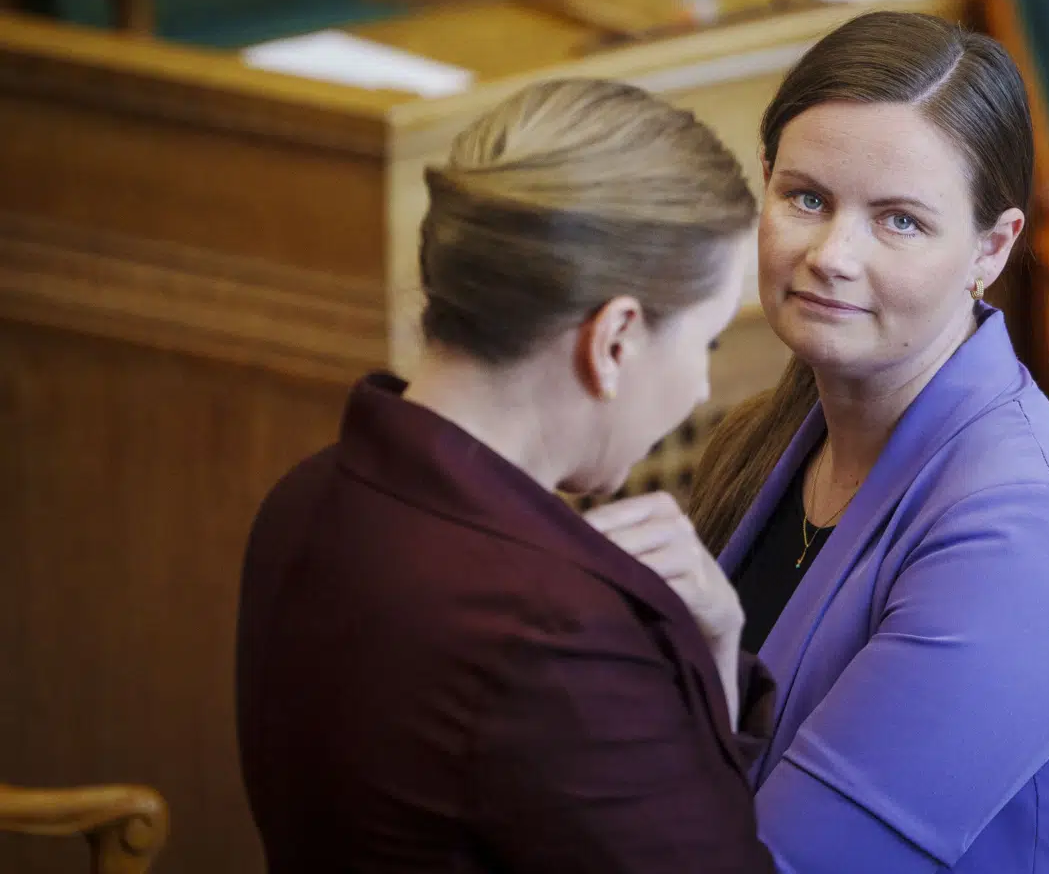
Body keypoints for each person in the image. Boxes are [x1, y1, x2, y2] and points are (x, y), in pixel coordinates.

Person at [235, 78, 777, 873]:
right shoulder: (555, 631)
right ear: (616, 339)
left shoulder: (302, 498)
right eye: (708, 343)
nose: (701, 387)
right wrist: (709, 648)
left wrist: (716, 637)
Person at [686, 12, 1049, 872]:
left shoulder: (1023, 535)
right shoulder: (765, 433)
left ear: (992, 248)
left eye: (899, 220)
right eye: (807, 198)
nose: (833, 254)